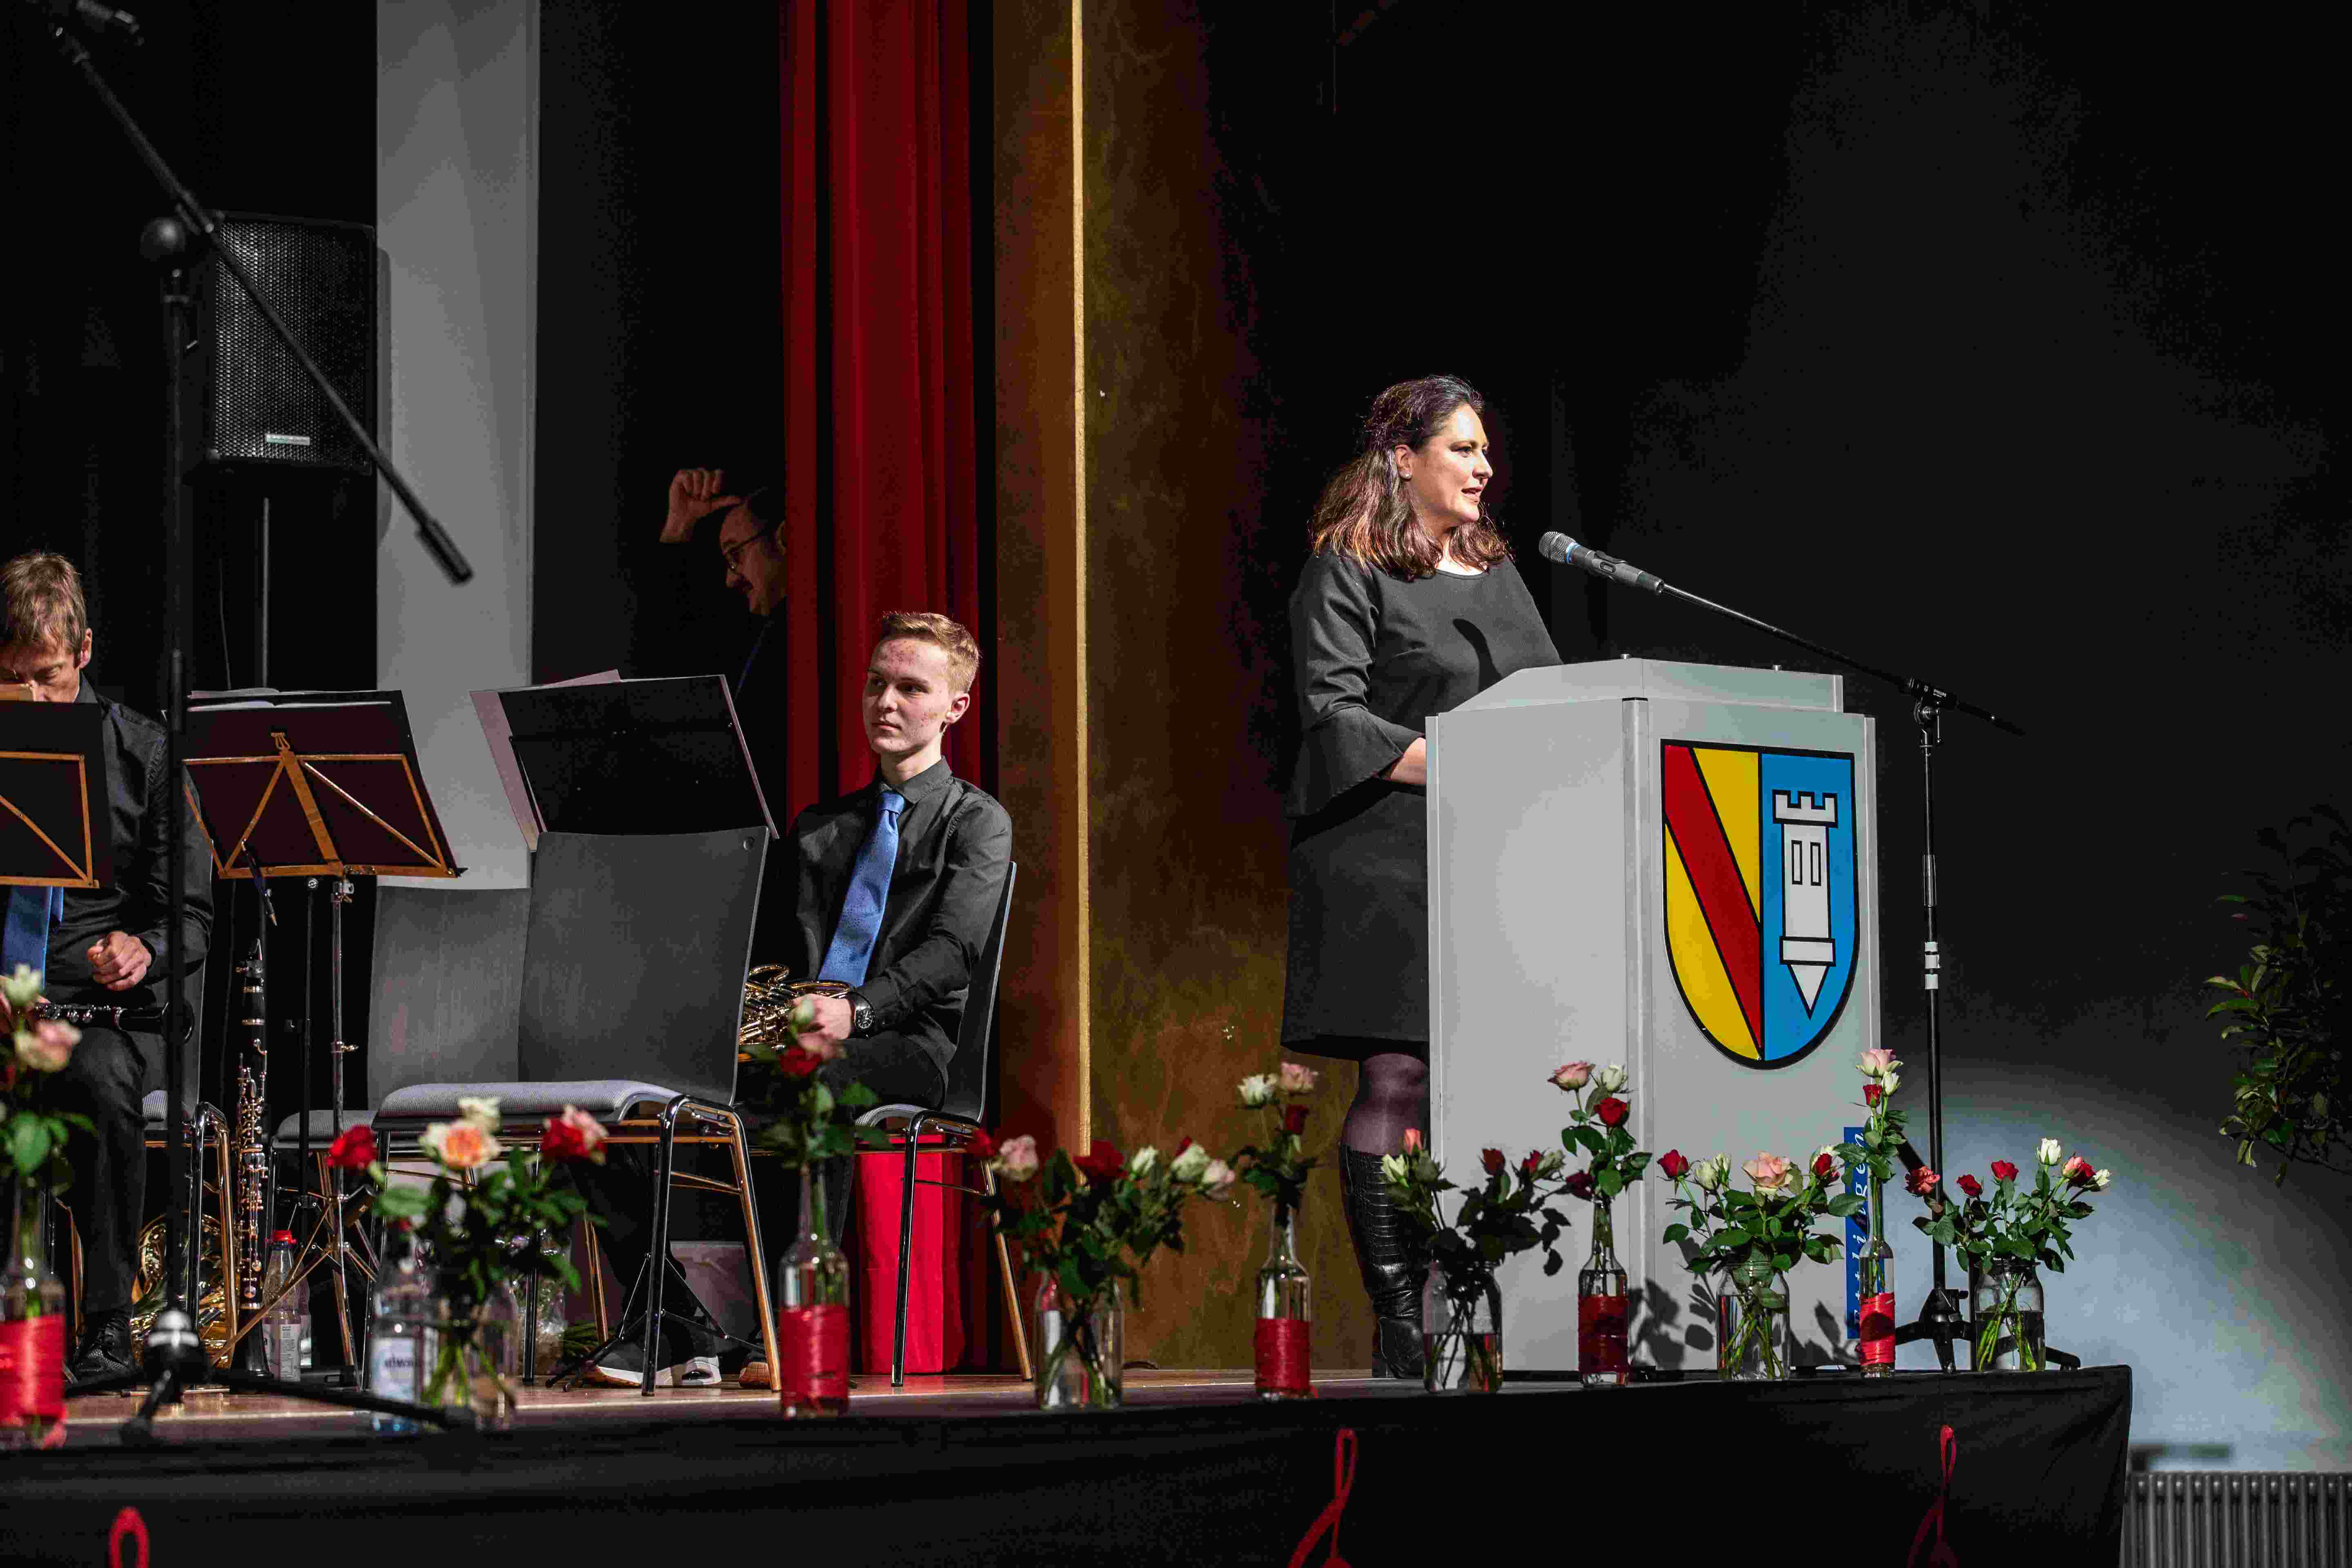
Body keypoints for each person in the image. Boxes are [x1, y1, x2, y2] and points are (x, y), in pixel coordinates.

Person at [576, 610, 1011, 1387]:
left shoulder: (977, 823)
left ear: (956, 707)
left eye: (911, 688)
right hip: (794, 1041)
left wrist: (858, 1010)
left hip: (909, 1048)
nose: (886, 702)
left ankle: (791, 1329)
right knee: (606, 1107)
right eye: (876, 683)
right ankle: (668, 1320)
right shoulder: (818, 828)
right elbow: (762, 954)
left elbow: (954, 953)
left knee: (818, 1081)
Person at [1281, 376, 1561, 1378]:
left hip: (1496, 852)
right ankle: (1402, 1316)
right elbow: (1335, 715)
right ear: (1403, 458)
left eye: (1485, 450)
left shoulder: (1496, 571)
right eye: (1461, 449)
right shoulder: (1347, 567)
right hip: (1383, 851)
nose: (1483, 468)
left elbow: (1551, 698)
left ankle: (1471, 1305)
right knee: (1400, 1074)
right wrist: (1468, 763)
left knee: (1490, 1081)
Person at [0, 552, 214, 1386]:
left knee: (95, 1080)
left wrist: (143, 949)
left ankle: (106, 1324)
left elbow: (189, 914)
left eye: (49, 676)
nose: (32, 699)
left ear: (84, 651)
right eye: (14, 679)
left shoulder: (143, 752)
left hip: (98, 1007)